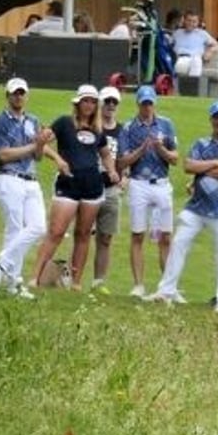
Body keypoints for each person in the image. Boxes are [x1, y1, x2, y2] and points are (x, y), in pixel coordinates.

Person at [144, 101, 218, 313]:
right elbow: (188, 166)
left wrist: (204, 169)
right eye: (215, 117)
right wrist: (215, 163)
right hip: (196, 207)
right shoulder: (202, 143)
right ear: (211, 119)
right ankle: (165, 292)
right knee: (179, 244)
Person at [30, 84, 119, 292]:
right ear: (77, 103)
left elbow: (105, 153)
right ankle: (34, 277)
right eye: (85, 101)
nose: (88, 105)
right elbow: (44, 141)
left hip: (92, 186)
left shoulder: (97, 129)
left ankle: (76, 282)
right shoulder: (64, 123)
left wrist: (112, 170)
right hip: (68, 184)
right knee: (56, 232)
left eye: (92, 102)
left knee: (83, 234)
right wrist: (58, 160)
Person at [0, 77, 52, 299]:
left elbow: (39, 157)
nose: (19, 96)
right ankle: (12, 282)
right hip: (9, 178)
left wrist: (41, 144)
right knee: (15, 229)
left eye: (22, 93)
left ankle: (0, 266)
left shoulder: (33, 120)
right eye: (15, 93)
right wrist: (35, 145)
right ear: (8, 96)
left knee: (38, 227)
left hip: (30, 178)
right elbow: (4, 155)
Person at [117, 85, 179, 297]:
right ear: (138, 104)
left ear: (154, 103)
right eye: (144, 103)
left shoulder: (166, 125)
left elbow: (175, 158)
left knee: (166, 237)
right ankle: (138, 285)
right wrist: (142, 149)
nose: (147, 107)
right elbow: (122, 161)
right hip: (138, 183)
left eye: (150, 103)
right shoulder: (128, 128)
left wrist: (160, 148)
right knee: (137, 235)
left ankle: (167, 287)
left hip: (161, 183)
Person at [91, 86, 124, 294]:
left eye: (114, 102)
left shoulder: (122, 131)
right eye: (107, 101)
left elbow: (124, 157)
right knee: (83, 234)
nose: (111, 105)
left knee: (106, 237)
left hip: (111, 189)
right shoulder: (92, 128)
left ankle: (98, 282)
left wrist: (125, 176)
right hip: (89, 186)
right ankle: (74, 278)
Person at [171, 9, 218, 77]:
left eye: (194, 22)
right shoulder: (177, 33)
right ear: (184, 20)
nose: (191, 24)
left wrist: (210, 51)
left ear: (198, 23)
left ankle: (193, 85)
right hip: (179, 59)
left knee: (196, 60)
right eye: (189, 20)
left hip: (194, 59)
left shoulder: (202, 33)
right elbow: (169, 45)